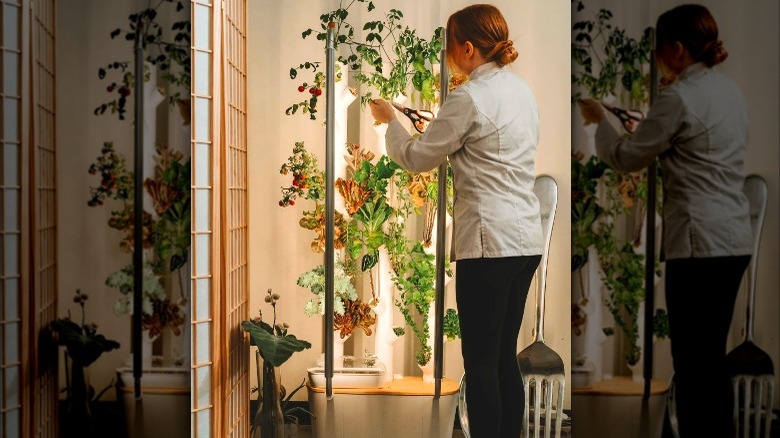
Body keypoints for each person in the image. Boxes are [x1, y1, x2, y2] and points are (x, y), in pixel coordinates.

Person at [370, 4, 542, 437]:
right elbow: (483, 144)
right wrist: (433, 125)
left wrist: (391, 121)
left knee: (481, 361)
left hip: (488, 244)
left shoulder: (467, 97)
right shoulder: (521, 91)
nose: (447, 54)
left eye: (449, 45)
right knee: (504, 355)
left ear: (467, 48)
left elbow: (416, 157)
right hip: (525, 243)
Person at [579, 4, 751, 437]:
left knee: (693, 363)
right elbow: (694, 146)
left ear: (675, 49)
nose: (656, 57)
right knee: (712, 358)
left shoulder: (677, 97)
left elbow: (624, 157)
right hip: (733, 241)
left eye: (658, 48)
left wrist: (601, 121)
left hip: (697, 242)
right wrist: (648, 125)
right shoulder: (730, 91)